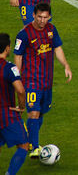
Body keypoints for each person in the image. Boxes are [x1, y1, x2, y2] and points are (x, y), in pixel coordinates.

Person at [13, 2, 72, 158]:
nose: (42, 20)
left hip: (47, 81)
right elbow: (18, 55)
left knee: (41, 113)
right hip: (31, 81)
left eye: (45, 17)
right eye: (39, 16)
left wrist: (65, 64)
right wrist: (17, 77)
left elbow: (57, 48)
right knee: (33, 112)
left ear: (49, 17)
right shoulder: (24, 34)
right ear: (34, 15)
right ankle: (34, 148)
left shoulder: (51, 30)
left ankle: (30, 136)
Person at [0, 33, 29, 174]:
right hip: (6, 114)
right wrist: (21, 107)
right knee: (23, 145)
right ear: (7, 48)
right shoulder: (9, 67)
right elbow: (20, 90)